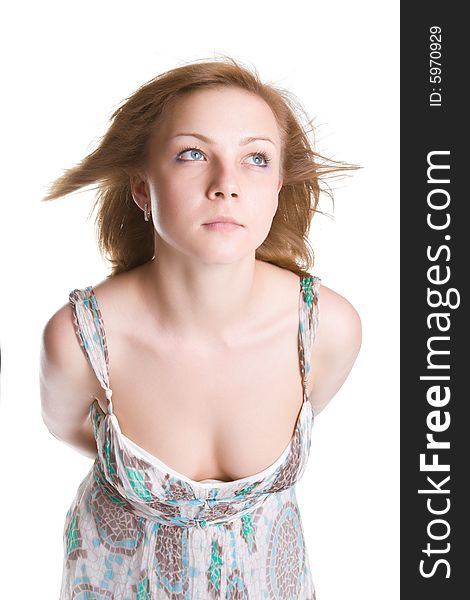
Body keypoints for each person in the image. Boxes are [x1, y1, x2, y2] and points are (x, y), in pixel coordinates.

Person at [40, 56, 362, 599]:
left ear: (279, 185)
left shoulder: (326, 329)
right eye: (192, 154)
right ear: (142, 188)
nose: (226, 185)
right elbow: (71, 429)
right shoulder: (80, 339)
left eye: (255, 158)